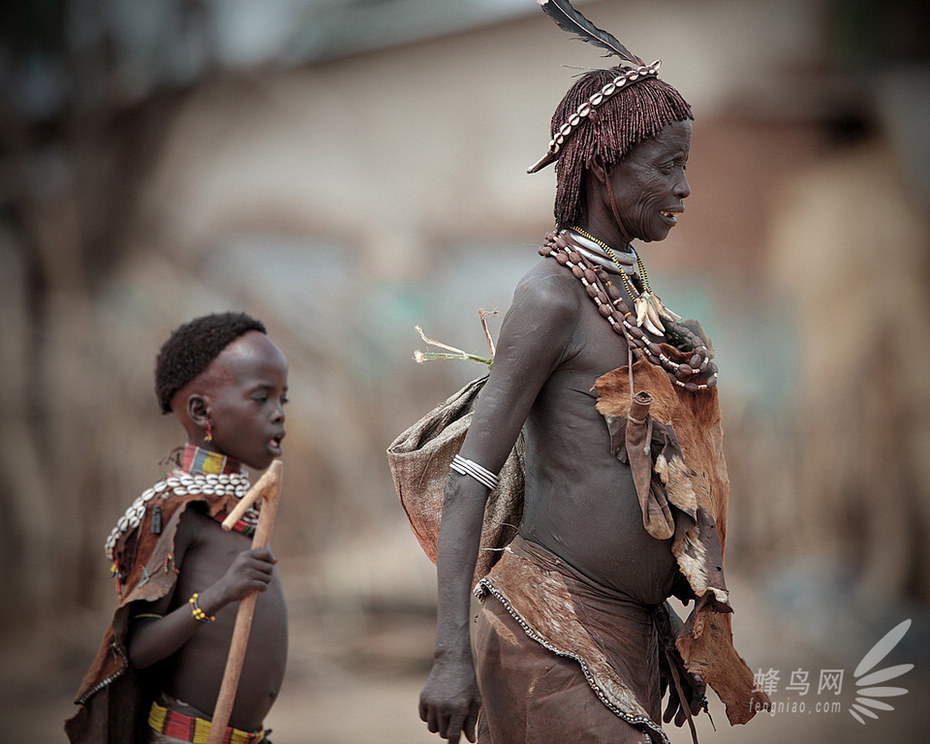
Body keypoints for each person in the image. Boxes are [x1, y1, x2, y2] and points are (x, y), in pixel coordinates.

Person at [417, 4, 767, 743]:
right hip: (551, 628)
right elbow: (470, 477)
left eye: (686, 166)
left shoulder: (631, 298)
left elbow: (639, 482)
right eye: (666, 166)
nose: (685, 188)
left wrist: (671, 612)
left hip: (626, 633)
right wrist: (448, 653)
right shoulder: (550, 297)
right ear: (606, 169)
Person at [66, 311, 289, 744]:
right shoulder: (175, 513)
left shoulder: (241, 507)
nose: (279, 414)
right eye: (262, 398)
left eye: (284, 399)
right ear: (201, 410)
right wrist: (220, 594)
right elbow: (138, 648)